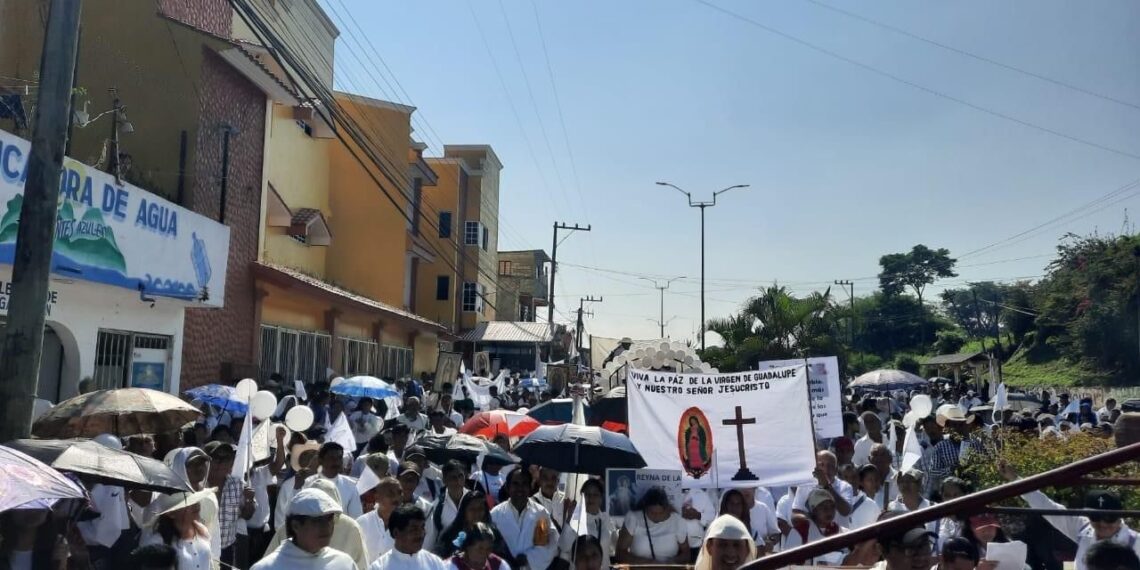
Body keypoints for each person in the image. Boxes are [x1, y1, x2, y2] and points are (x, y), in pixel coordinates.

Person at [1001, 461, 1140, 569]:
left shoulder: (1136, 543)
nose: (1102, 524)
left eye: (1109, 518)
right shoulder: (1084, 529)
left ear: (1120, 516)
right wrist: (1015, 480)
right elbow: (1046, 506)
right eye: (1096, 517)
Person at [263, 479, 369, 570]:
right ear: (296, 526)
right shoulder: (267, 566)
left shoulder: (345, 562)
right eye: (317, 520)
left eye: (329, 517)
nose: (326, 527)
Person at [490, 467, 559, 570]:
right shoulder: (495, 514)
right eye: (515, 484)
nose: (520, 488)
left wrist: (528, 558)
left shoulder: (540, 514)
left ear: (530, 487)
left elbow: (546, 544)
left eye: (524, 484)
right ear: (507, 487)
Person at [203, 441, 254, 568]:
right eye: (216, 458)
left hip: (226, 550)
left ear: (232, 463)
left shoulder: (238, 485)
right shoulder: (196, 485)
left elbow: (247, 516)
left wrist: (249, 501)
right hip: (201, 549)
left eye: (226, 458)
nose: (221, 463)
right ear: (205, 461)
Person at [141, 490, 215, 570]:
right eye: (187, 502)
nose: (195, 504)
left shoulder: (202, 532)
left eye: (195, 499)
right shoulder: (156, 543)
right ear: (171, 513)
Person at [615, 487, 689, 566]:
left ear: (667, 509)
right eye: (652, 513)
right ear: (645, 508)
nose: (656, 516)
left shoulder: (677, 521)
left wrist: (670, 562)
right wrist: (648, 563)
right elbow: (620, 553)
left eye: (660, 513)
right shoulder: (633, 518)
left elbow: (686, 554)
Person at [367, 504, 448, 570]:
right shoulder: (379, 567)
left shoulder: (435, 563)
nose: (421, 533)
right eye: (414, 529)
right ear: (396, 533)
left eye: (422, 527)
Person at [558, 480, 615, 569]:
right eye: (587, 494)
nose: (591, 498)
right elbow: (564, 546)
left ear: (601, 498)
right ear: (581, 496)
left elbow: (613, 546)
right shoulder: (575, 518)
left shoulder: (605, 519)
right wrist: (569, 517)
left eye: (595, 495)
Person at [783, 489, 850, 565]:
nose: (829, 511)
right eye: (823, 507)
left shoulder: (844, 533)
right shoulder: (800, 531)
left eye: (832, 507)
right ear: (814, 510)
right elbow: (787, 562)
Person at [0, 508, 69, 570]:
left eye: (39, 504)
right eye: (26, 504)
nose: (32, 511)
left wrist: (60, 565)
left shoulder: (57, 542)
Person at [436, 491, 498, 558]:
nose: (477, 514)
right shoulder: (450, 534)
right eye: (472, 509)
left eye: (480, 509)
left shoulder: (494, 534)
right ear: (464, 512)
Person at [425, 461, 471, 554]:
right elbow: (430, 540)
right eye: (453, 478)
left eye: (460, 476)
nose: (458, 481)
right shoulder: (437, 507)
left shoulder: (474, 500)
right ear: (444, 481)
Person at [793, 451, 854, 519]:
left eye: (830, 466)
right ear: (815, 467)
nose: (826, 469)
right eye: (821, 465)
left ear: (836, 470)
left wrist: (827, 486)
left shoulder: (845, 487)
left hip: (840, 529)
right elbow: (796, 512)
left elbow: (845, 511)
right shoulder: (805, 485)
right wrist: (815, 520)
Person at [275, 441, 320, 530]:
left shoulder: (324, 482)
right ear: (300, 458)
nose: (310, 458)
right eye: (306, 454)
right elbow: (279, 521)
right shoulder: (287, 486)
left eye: (314, 455)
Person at [357, 477, 402, 564]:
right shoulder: (362, 523)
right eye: (391, 494)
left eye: (400, 493)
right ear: (377, 498)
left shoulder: (406, 527)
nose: (397, 498)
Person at [316, 443, 363, 518]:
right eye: (332, 458)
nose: (336, 462)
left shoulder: (351, 485)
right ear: (320, 460)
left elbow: (356, 517)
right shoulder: (309, 483)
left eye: (339, 458)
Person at [887, 469, 938, 535]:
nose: (905, 485)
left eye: (909, 481)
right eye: (901, 481)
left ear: (919, 484)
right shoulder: (891, 508)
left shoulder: (933, 507)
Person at [445, 522, 510, 570]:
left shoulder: (498, 565)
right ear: (468, 547)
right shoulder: (450, 566)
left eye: (488, 549)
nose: (484, 553)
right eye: (480, 549)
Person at [848, 465, 884, 530]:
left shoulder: (884, 498)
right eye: (870, 480)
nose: (874, 483)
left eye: (876, 479)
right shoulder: (855, 501)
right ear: (860, 482)